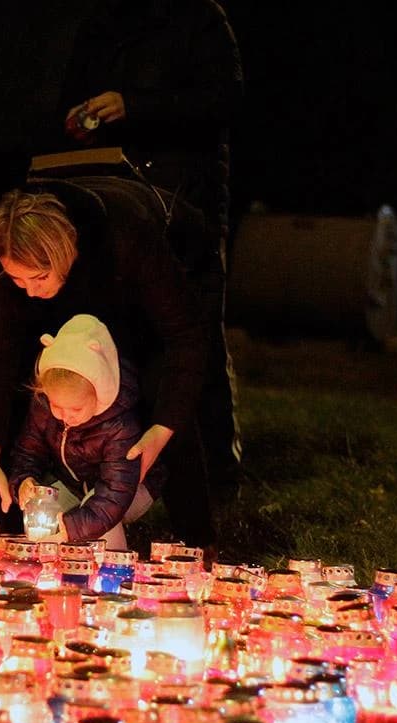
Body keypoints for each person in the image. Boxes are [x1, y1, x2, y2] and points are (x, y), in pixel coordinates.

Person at [57, 0, 245, 497]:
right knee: (116, 333)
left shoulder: (198, 18)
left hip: (184, 205)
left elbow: (223, 100)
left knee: (191, 331)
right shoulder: (100, 22)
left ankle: (214, 475)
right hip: (110, 198)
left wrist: (135, 105)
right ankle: (113, 466)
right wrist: (77, 117)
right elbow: (70, 95)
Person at [0, 175, 215, 550]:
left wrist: (157, 436)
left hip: (152, 288)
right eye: (19, 281)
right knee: (34, 388)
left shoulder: (125, 236)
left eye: (38, 278)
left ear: (63, 252)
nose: (30, 292)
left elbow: (185, 339)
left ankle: (197, 539)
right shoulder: (3, 254)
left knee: (161, 391)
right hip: (73, 311)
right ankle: (6, 520)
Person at [9, 314, 164, 550]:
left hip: (129, 490)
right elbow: (27, 451)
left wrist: (72, 528)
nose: (65, 416)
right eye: (57, 406)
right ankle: (48, 570)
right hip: (75, 486)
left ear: (99, 393)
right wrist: (24, 481)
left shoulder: (119, 424)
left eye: (76, 409)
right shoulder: (44, 406)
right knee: (43, 507)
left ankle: (112, 573)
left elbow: (113, 496)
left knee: (100, 518)